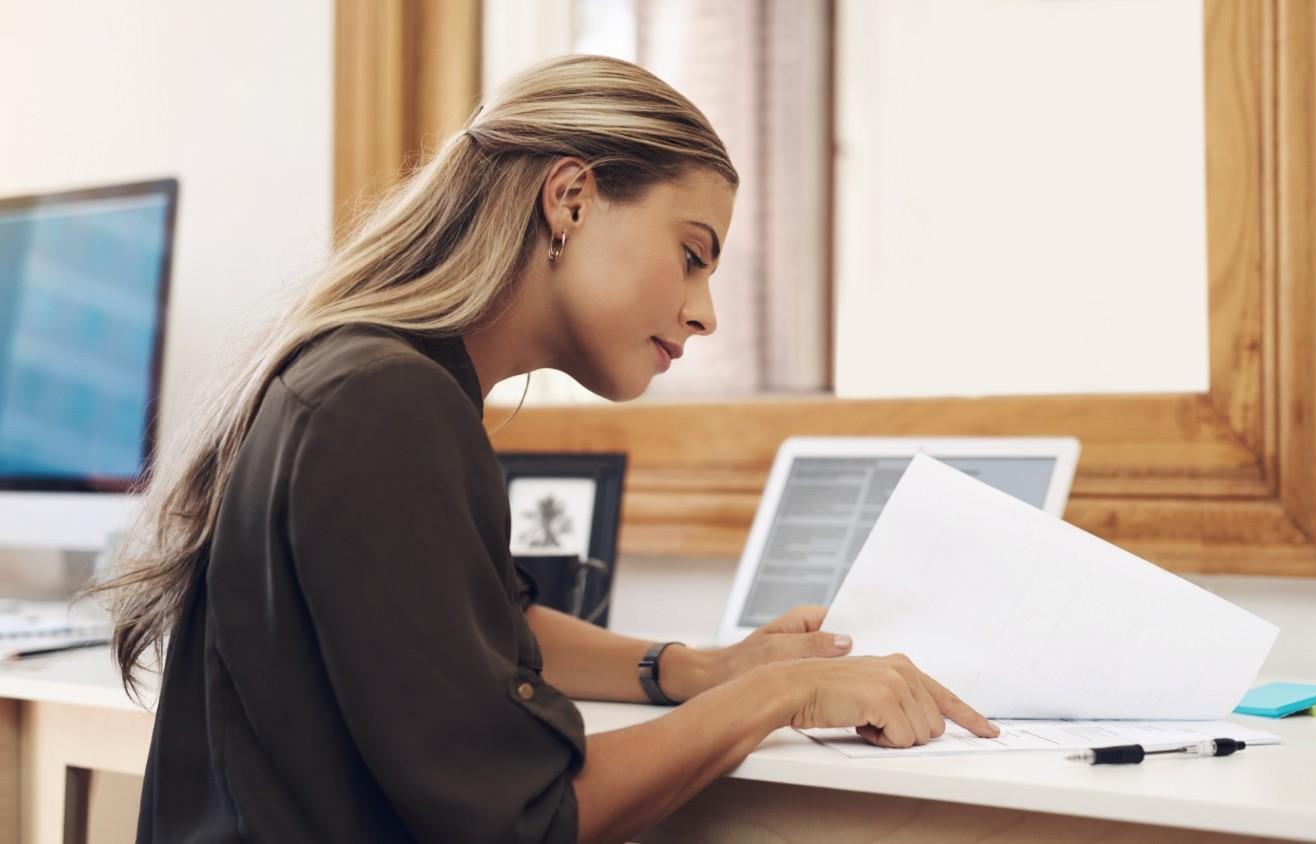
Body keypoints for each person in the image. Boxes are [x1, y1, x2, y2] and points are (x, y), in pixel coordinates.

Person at [88, 54, 996, 843]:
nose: (705, 314)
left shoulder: (376, 381)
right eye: (692, 254)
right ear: (569, 198)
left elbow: (479, 633)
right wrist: (776, 698)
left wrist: (700, 669)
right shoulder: (384, 404)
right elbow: (525, 820)